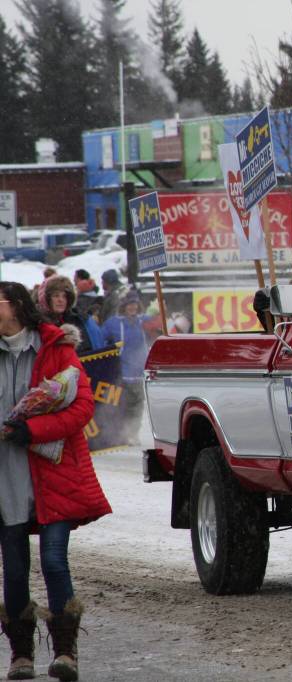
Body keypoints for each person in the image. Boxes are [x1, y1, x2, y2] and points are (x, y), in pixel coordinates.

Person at [0, 281, 111, 681]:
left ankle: (66, 653)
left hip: (52, 473)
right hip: (6, 479)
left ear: (16, 306)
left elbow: (82, 406)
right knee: (13, 570)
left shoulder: (55, 348)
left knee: (53, 561)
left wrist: (34, 430)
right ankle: (20, 656)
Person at [101, 290, 150, 445]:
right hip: (122, 371)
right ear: (124, 305)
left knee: (138, 403)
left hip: (139, 369)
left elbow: (161, 327)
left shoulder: (144, 321)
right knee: (124, 403)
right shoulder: (114, 323)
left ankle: (133, 432)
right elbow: (102, 340)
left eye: (134, 304)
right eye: (129, 304)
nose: (132, 307)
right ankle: (122, 433)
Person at [36, 275, 102, 354]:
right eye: (56, 295)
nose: (61, 300)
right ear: (46, 298)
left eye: (64, 296)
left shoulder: (82, 321)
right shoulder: (37, 324)